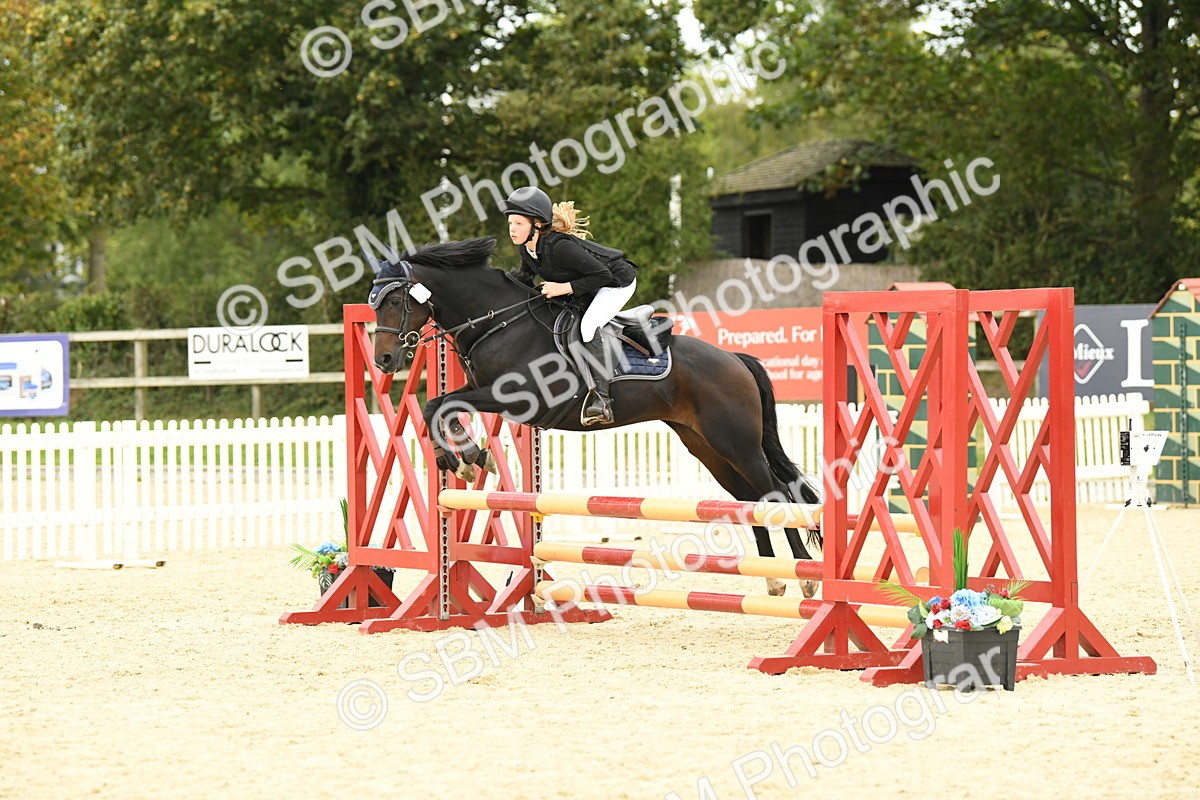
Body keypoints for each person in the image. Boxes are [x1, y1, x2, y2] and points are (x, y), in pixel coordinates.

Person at [501, 186, 636, 426]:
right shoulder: (527, 249)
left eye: (519, 224)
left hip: (616, 282)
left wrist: (563, 288)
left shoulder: (560, 247)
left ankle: (602, 400)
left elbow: (602, 275)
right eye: (511, 223)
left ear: (538, 225)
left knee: (588, 326)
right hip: (588, 284)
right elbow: (523, 280)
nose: (512, 229)